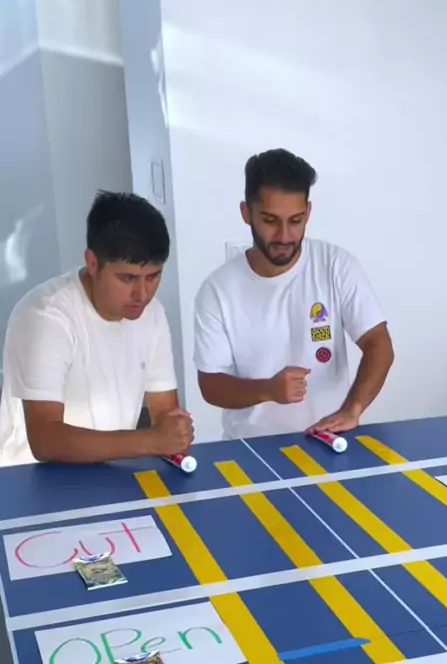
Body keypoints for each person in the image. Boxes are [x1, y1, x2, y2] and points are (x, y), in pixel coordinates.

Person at [194, 149, 394, 439]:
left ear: (308, 213)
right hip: (252, 446)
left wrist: (353, 409)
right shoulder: (217, 290)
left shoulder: (336, 265)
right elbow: (210, 385)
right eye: (271, 220)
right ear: (246, 213)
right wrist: (269, 389)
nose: (285, 236)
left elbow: (379, 344)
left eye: (296, 220)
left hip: (328, 440)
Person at [0, 191, 193, 466]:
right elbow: (45, 440)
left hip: (109, 470)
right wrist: (152, 440)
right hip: (29, 477)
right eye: (127, 278)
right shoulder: (46, 316)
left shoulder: (153, 314)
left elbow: (164, 411)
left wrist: (174, 432)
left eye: (153, 277)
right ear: (92, 263)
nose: (142, 294)